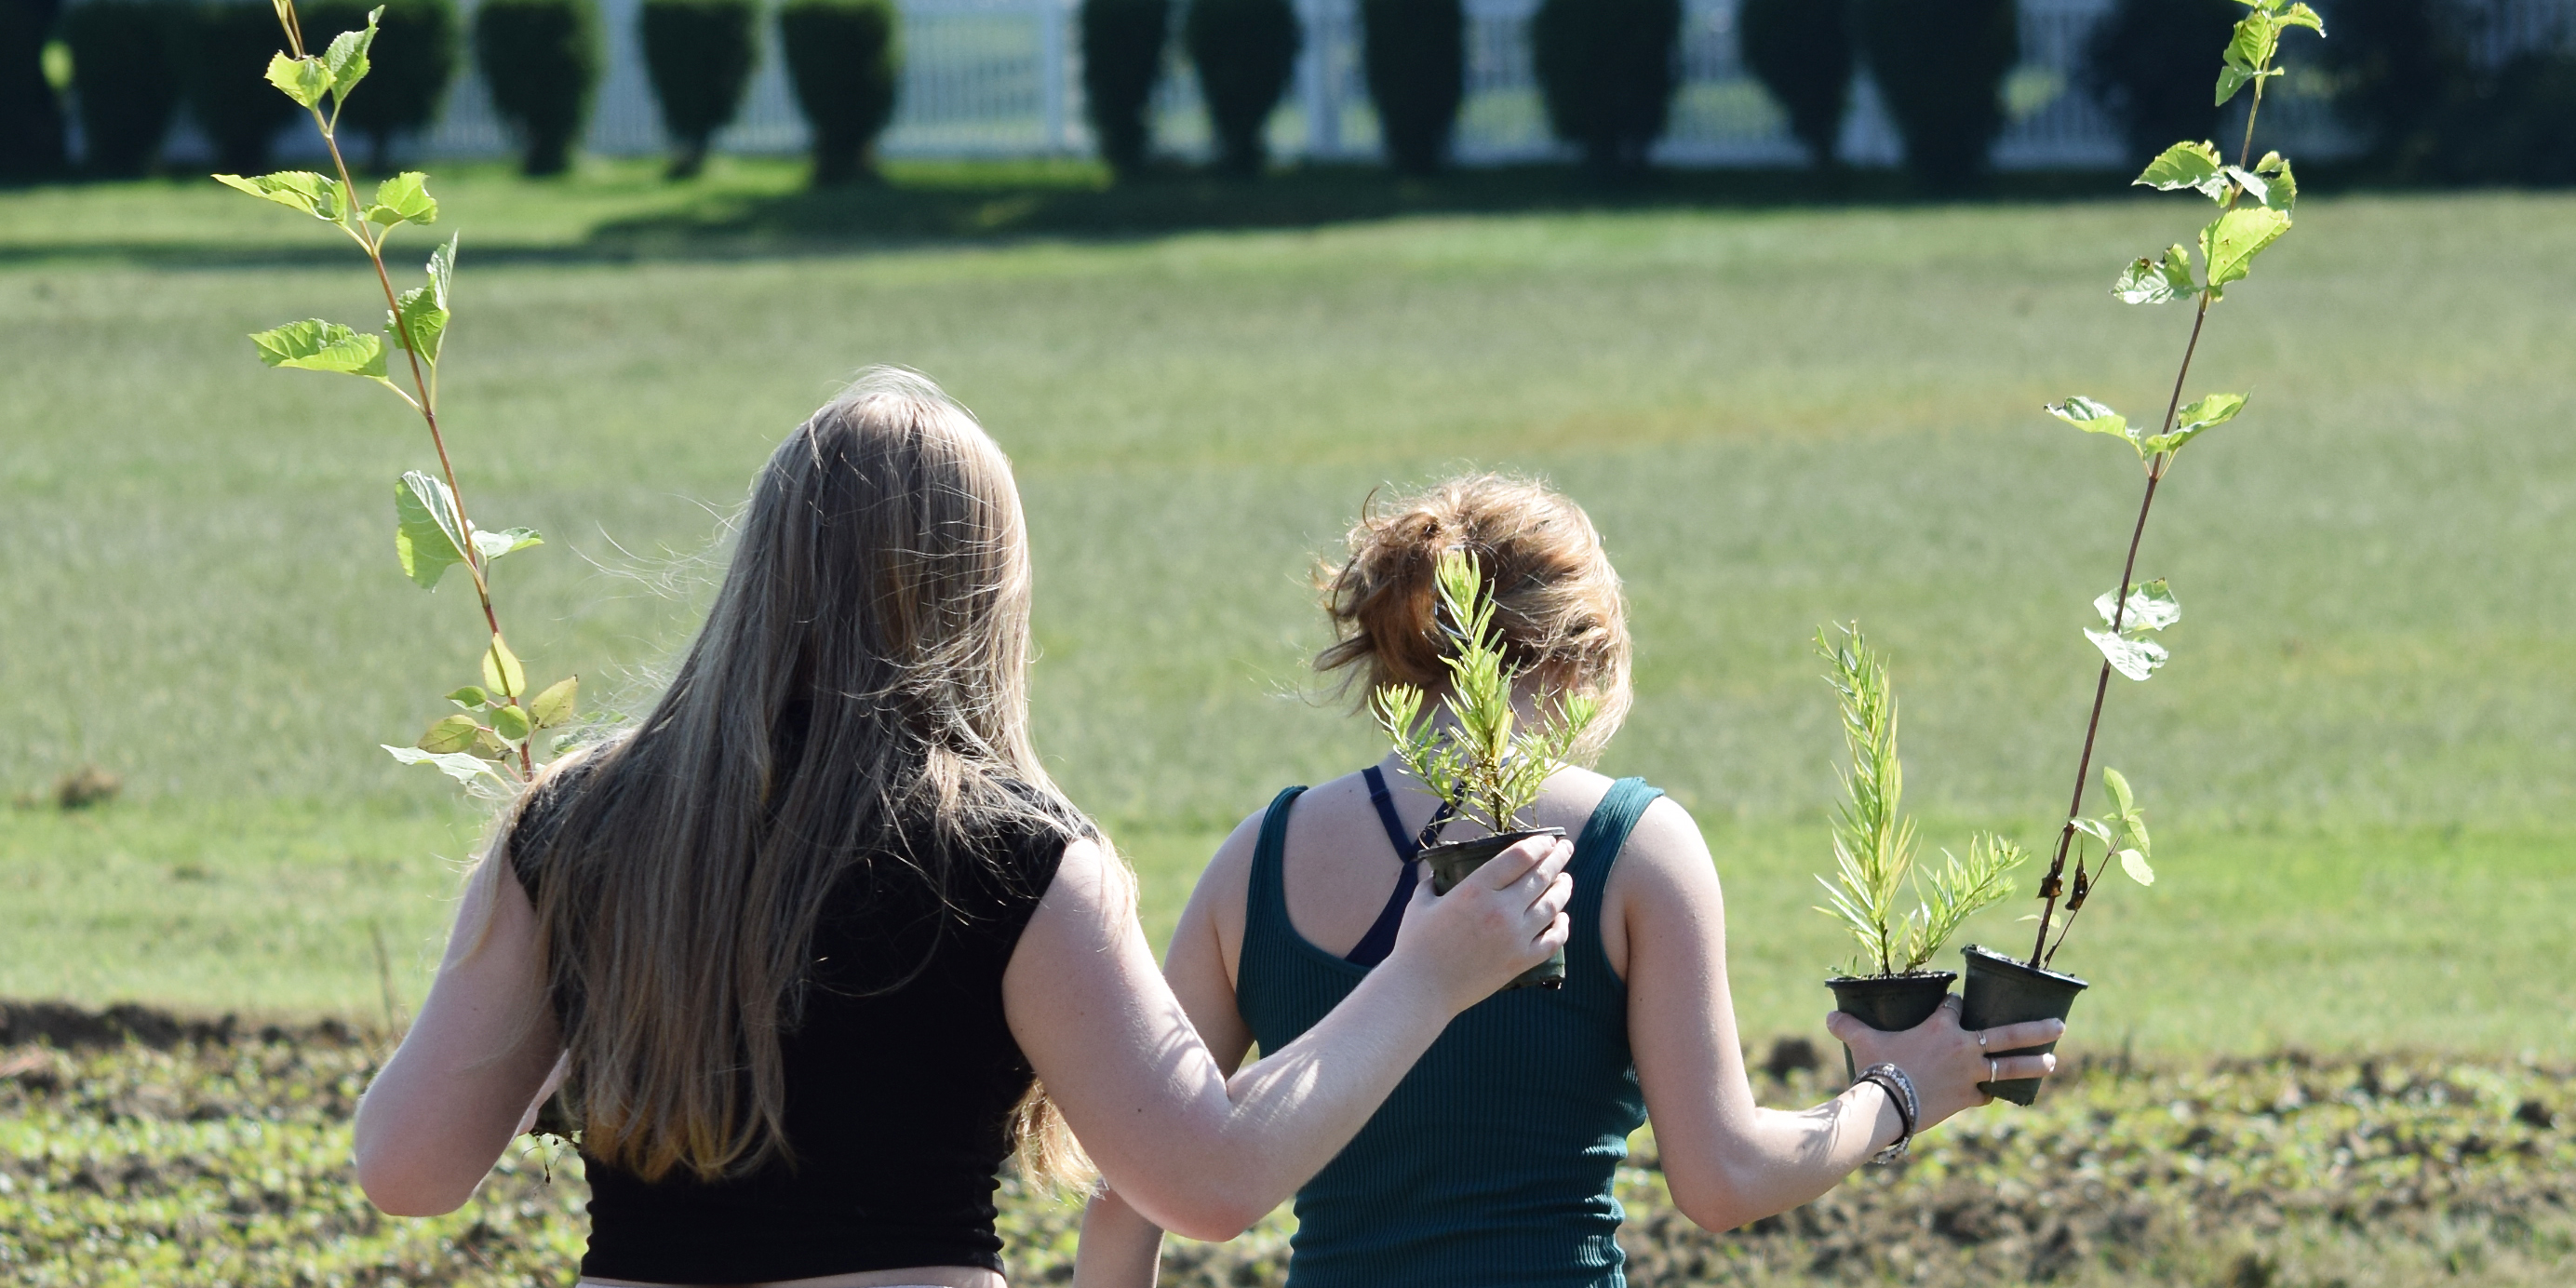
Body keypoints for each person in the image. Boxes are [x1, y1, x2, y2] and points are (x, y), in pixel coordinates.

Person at [350, 370, 1579, 1288]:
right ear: (984, 593)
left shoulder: (575, 825)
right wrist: (1426, 977)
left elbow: (406, 1169)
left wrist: (608, 1011)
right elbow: (1207, 1179)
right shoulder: (1020, 861)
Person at [1074, 475, 2067, 1288]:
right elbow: (1720, 1179)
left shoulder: (1256, 857)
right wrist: (1901, 1089)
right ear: (1580, 655)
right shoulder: (1634, 846)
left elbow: (1127, 1187)